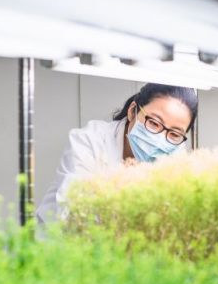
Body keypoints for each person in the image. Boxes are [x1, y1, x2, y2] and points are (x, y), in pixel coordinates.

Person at [36, 83, 198, 222]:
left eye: (175, 134)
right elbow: (73, 210)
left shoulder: (175, 155)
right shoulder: (90, 141)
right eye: (154, 123)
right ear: (132, 111)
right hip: (64, 246)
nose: (161, 138)